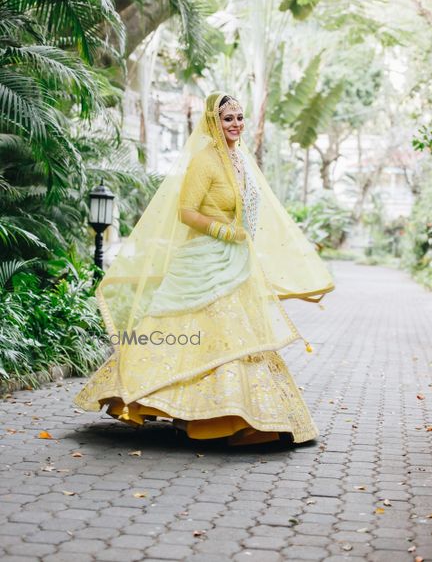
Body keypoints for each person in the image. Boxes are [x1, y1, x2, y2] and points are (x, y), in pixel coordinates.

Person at [74, 91, 335, 446]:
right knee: (201, 332)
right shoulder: (204, 160)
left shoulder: (239, 158)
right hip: (204, 259)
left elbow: (252, 213)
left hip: (236, 262)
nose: (236, 125)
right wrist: (224, 231)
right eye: (228, 118)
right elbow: (186, 211)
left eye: (240, 118)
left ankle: (245, 416)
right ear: (214, 122)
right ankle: (207, 416)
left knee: (240, 336)